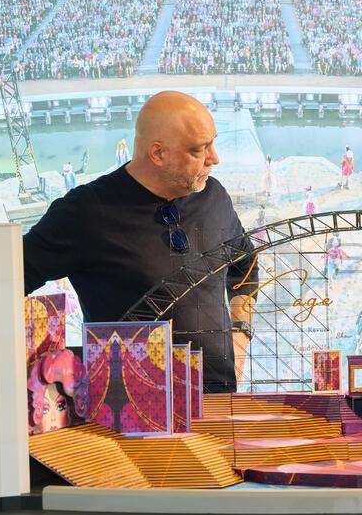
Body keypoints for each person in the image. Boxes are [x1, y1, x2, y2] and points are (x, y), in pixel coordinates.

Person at [23, 91, 259, 394]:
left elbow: (245, 264)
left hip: (220, 402)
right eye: (199, 150)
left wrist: (241, 333)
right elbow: (4, 281)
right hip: (130, 409)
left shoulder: (214, 196)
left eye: (212, 144)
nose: (214, 158)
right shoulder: (85, 212)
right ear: (158, 154)